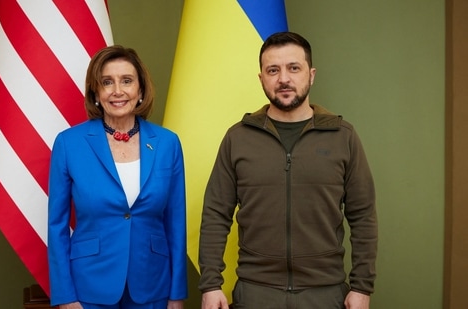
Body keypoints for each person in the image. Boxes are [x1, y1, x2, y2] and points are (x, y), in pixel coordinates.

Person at [198, 31, 377, 309]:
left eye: (294, 68)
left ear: (311, 74)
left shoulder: (343, 136)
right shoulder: (238, 138)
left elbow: (363, 215)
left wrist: (362, 287)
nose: (284, 78)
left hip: (325, 293)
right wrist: (211, 284)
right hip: (255, 292)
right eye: (273, 70)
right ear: (261, 79)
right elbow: (215, 213)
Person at [48, 45, 188, 309]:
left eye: (127, 81)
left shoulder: (168, 143)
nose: (117, 91)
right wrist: (65, 297)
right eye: (107, 82)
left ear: (141, 90)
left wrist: (176, 294)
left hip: (153, 285)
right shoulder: (69, 143)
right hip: (89, 288)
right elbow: (57, 227)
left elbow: (176, 223)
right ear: (96, 93)